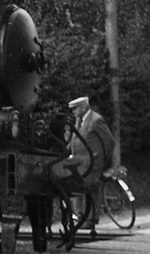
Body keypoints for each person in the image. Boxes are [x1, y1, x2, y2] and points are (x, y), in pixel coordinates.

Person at [50, 95, 116, 240]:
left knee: (88, 187)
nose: (73, 112)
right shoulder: (79, 121)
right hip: (78, 162)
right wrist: (63, 153)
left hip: (92, 163)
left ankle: (90, 219)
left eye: (75, 109)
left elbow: (109, 141)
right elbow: (75, 140)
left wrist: (99, 159)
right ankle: (80, 217)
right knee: (73, 185)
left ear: (83, 107)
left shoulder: (96, 120)